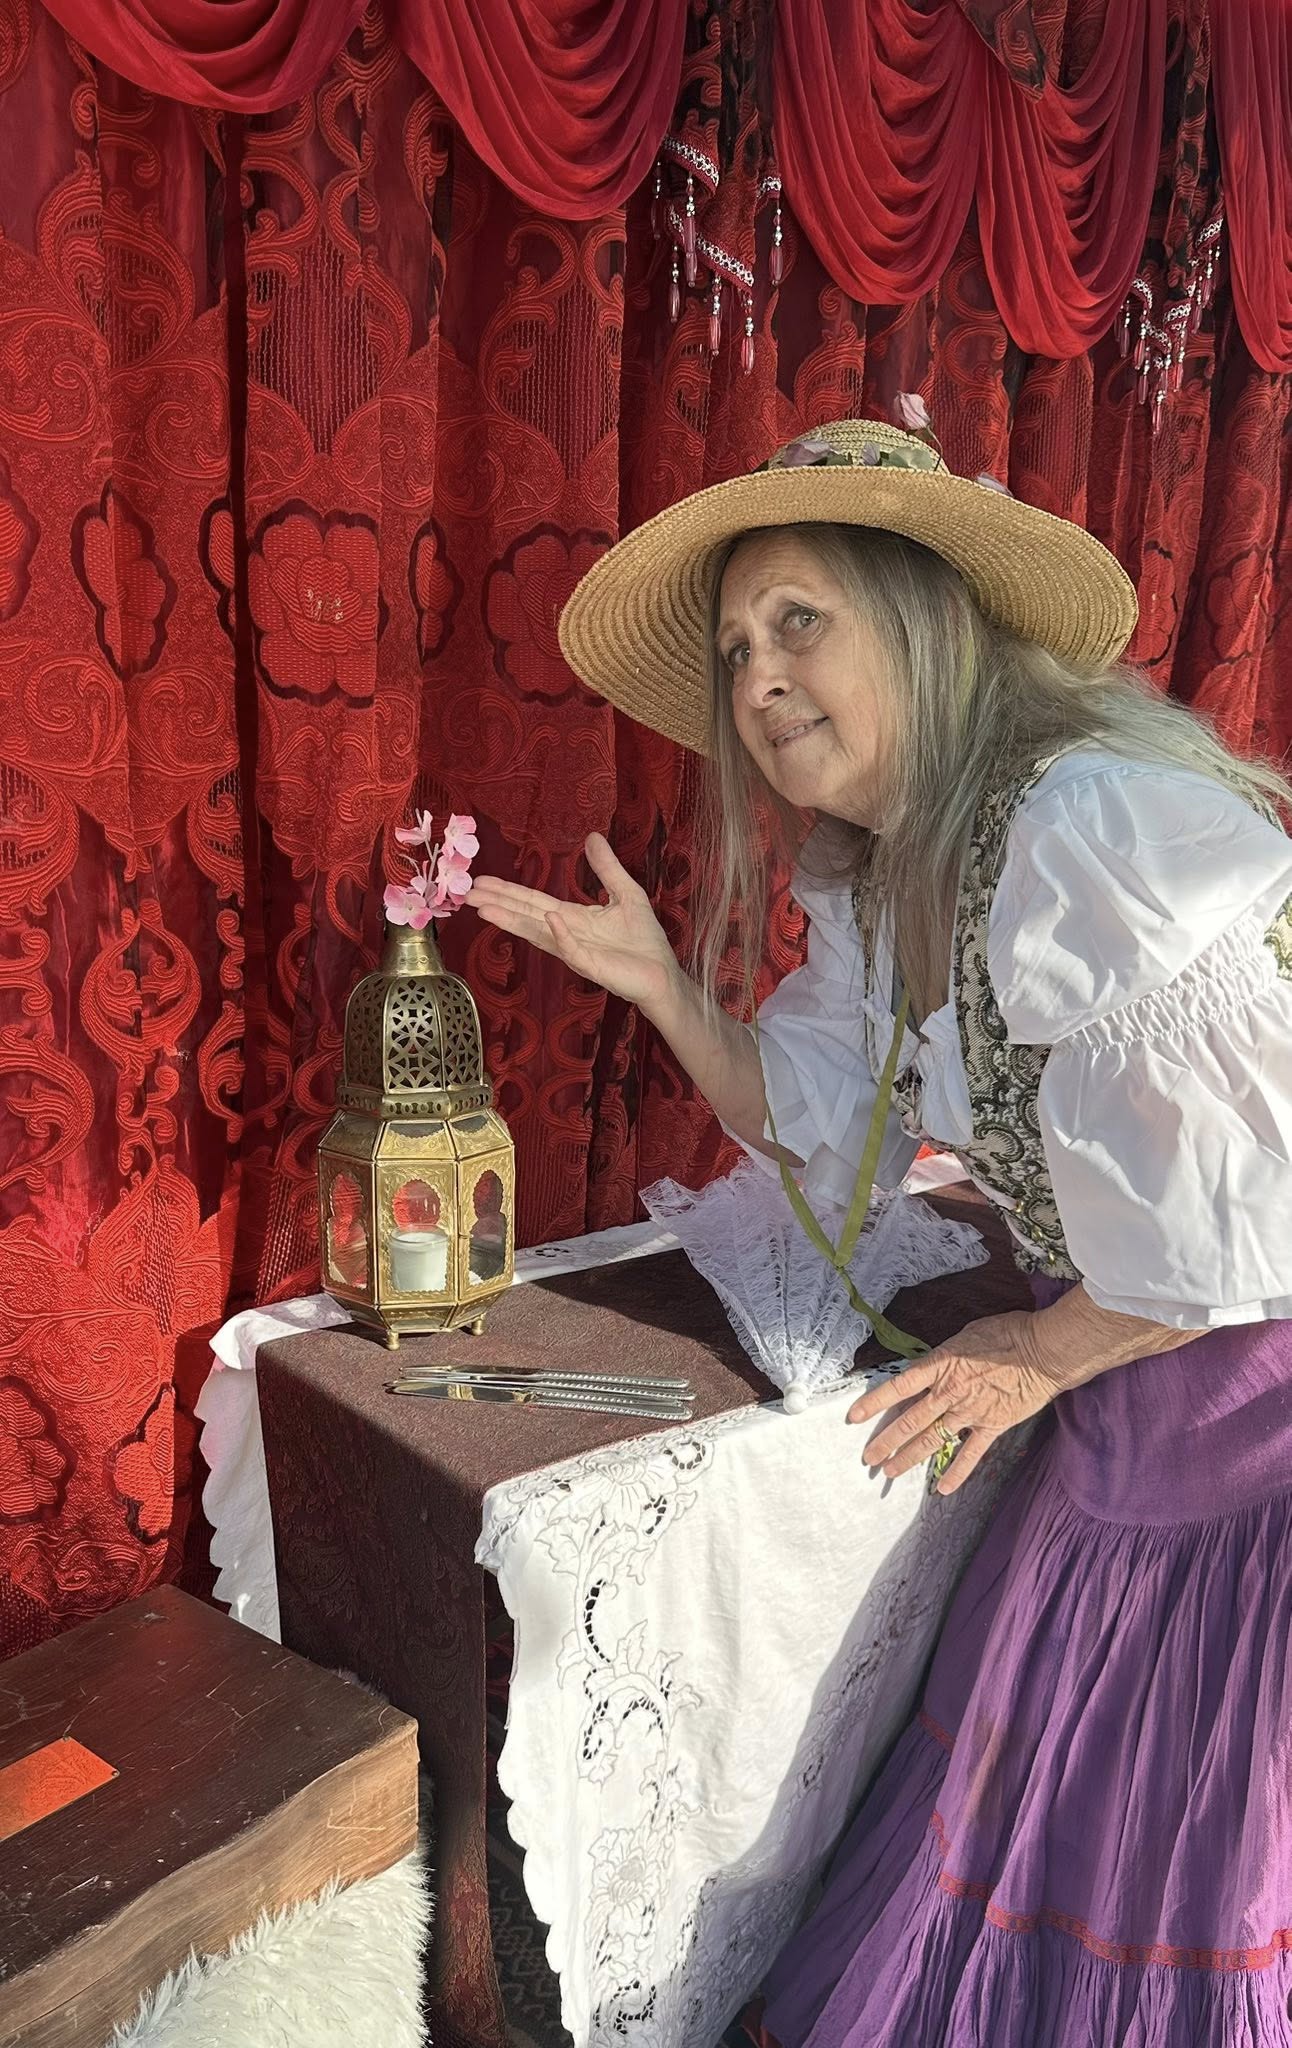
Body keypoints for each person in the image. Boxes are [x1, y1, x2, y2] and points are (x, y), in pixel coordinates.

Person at [467, 409, 1292, 2046]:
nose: (759, 681)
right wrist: (665, 992)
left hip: (1253, 1441)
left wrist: (1031, 1353)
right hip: (1131, 1411)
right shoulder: (891, 874)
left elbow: (1250, 1215)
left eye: (799, 621)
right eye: (737, 651)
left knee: (1185, 1854)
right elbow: (816, 1113)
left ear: (923, 621)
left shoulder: (1087, 826)